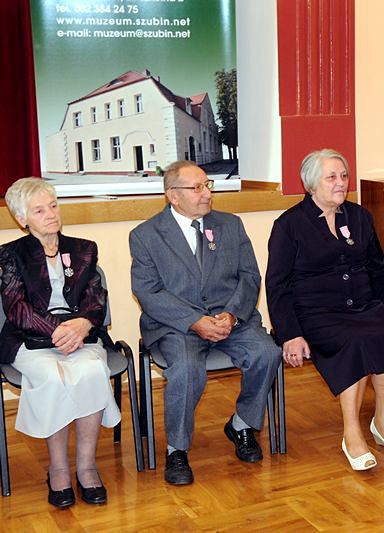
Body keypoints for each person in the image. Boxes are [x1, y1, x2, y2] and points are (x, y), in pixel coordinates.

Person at [130, 161, 280, 486]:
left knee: (266, 354)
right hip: (177, 325)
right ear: (173, 195)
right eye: (196, 188)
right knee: (185, 369)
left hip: (230, 320)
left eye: (207, 185)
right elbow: (148, 291)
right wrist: (193, 321)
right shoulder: (145, 236)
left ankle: (241, 424)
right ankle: (177, 450)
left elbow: (250, 276)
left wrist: (232, 314)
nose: (207, 193)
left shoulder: (230, 225)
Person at [266, 149, 384, 471]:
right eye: (332, 177)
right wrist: (290, 334)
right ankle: (352, 433)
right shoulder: (289, 225)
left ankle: (382, 423)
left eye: (344, 176)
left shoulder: (358, 217)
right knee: (353, 342)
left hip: (364, 305)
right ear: (311, 184)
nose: (341, 183)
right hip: (317, 313)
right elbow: (277, 285)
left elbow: (378, 270)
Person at [0, 178, 120, 508]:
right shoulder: (10, 255)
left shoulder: (83, 248)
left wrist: (81, 325)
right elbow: (17, 309)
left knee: (92, 371)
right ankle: (58, 469)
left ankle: (86, 467)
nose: (51, 214)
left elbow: (96, 298)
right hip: (30, 340)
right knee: (55, 377)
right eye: (40, 210)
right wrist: (60, 330)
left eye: (53, 205)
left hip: (82, 336)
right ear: (22, 219)